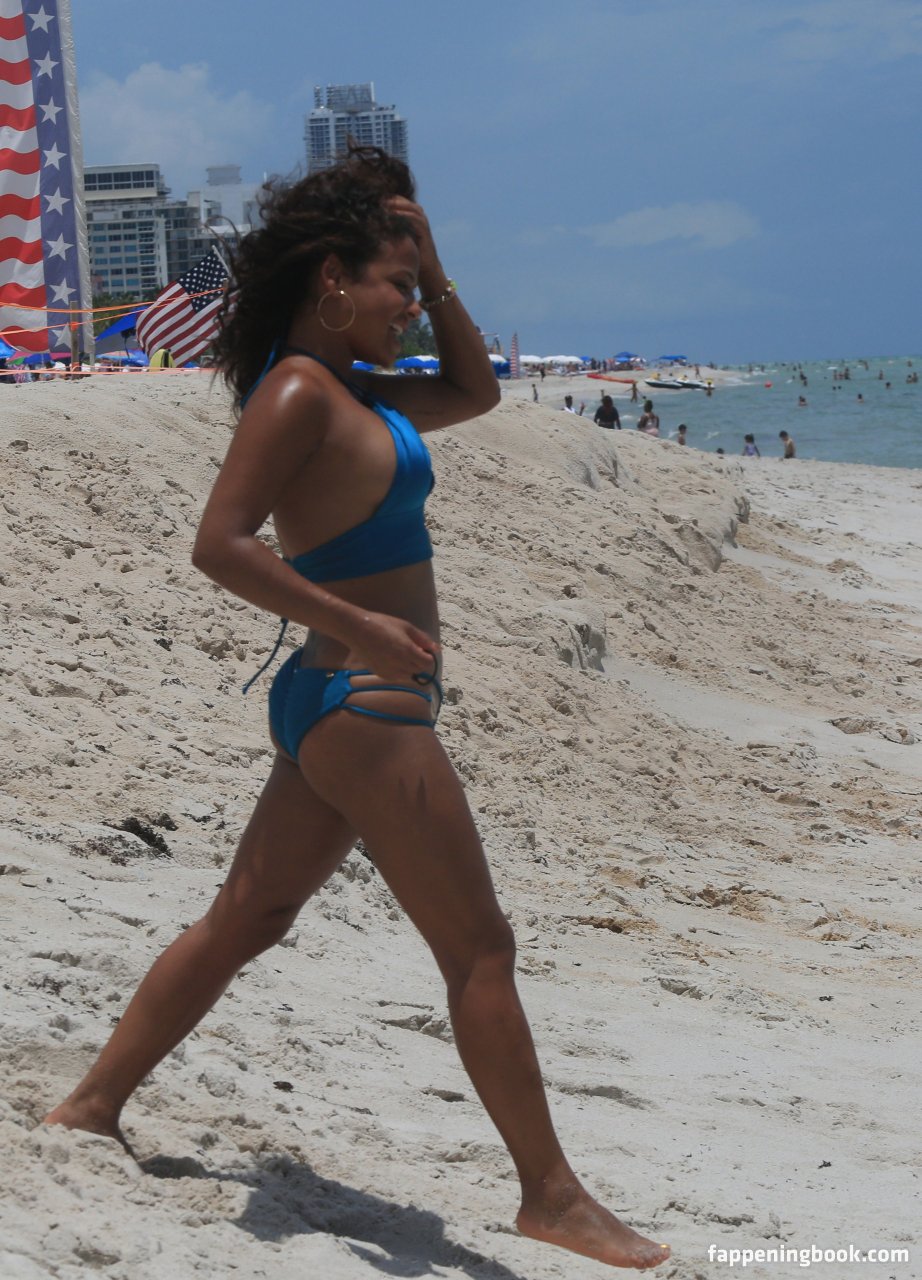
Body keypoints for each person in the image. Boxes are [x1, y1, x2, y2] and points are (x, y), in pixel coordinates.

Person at [44, 146, 670, 1272]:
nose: (412, 308)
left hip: (333, 703)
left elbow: (476, 391)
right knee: (480, 948)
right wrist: (366, 625)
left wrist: (435, 260)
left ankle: (91, 1105)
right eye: (397, 287)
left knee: (247, 917)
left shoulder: (358, 392)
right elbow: (219, 543)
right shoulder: (298, 392)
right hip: (365, 703)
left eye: (418, 290)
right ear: (332, 279)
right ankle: (551, 1196)